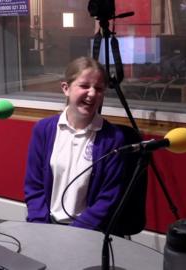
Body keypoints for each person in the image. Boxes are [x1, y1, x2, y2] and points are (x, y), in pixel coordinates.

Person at [24, 56, 125, 231]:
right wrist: (41, 229)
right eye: (85, 86)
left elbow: (108, 197)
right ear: (66, 88)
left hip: (87, 231)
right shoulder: (43, 130)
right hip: (46, 226)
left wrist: (75, 234)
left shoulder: (113, 138)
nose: (92, 93)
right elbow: (34, 186)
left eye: (99, 88)